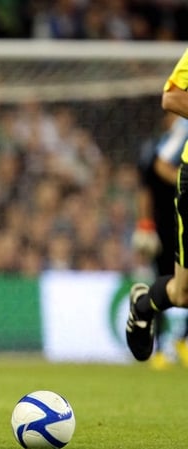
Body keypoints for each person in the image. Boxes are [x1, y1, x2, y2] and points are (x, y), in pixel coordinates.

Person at [127, 47, 188, 362]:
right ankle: (145, 306)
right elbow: (173, 97)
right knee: (182, 292)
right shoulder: (178, 130)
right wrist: (146, 221)